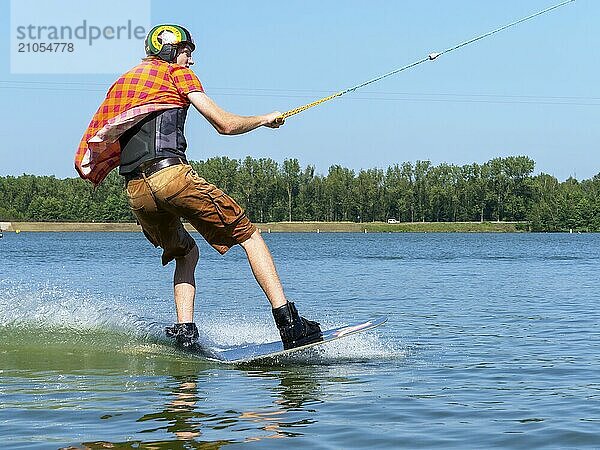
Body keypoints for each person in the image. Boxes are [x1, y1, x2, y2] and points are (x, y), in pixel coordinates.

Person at [75, 24, 322, 351]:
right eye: (187, 51)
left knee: (186, 252)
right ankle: (289, 323)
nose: (191, 60)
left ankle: (185, 331)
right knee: (249, 235)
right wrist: (265, 119)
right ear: (169, 50)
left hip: (136, 192)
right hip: (170, 176)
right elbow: (225, 124)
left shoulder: (126, 83)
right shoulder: (177, 75)